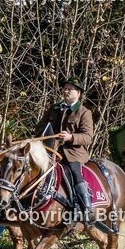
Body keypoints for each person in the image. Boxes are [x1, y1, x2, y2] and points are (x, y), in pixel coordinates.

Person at [35, 78, 94, 224]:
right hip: (50, 152)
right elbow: (39, 127)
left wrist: (70, 137)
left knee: (74, 171)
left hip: (73, 154)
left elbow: (88, 137)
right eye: (65, 88)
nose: (66, 91)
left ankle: (86, 210)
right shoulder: (54, 108)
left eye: (70, 89)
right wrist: (46, 135)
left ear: (78, 93)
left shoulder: (84, 112)